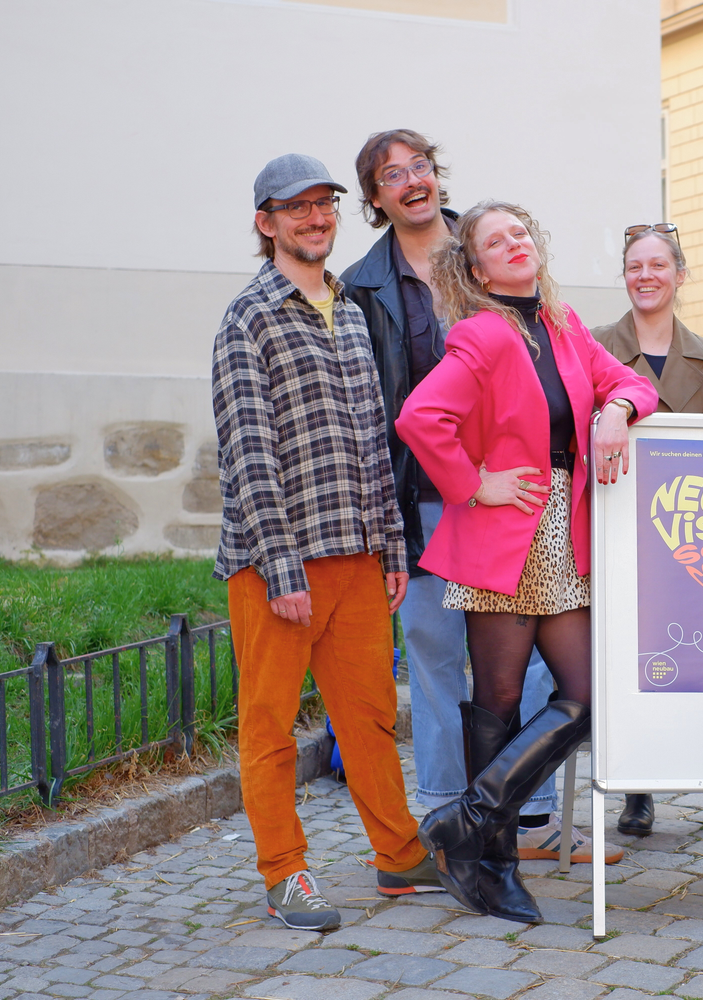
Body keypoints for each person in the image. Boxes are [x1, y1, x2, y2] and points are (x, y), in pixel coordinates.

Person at [395, 201, 658, 921]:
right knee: (499, 701)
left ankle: (468, 821)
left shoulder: (564, 326)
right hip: (506, 531)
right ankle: (493, 863)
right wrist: (474, 482)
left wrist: (616, 415)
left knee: (584, 694)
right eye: (495, 241)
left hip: (562, 535)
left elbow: (634, 383)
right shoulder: (482, 333)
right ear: (475, 267)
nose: (514, 245)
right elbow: (421, 418)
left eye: (520, 233)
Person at [339, 131, 589, 864]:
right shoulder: (368, 285)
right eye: (393, 175)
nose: (411, 181)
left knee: (532, 674)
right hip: (433, 493)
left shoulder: (527, 297)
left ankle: (509, 818)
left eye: (420, 167)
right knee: (442, 660)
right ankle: (457, 816)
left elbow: (607, 380)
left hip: (525, 507)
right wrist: (467, 483)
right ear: (376, 197)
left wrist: (615, 411)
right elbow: (399, 410)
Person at [213, 153, 443, 931]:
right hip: (278, 566)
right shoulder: (249, 318)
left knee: (370, 716)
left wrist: (390, 547)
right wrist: (280, 569)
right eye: (298, 207)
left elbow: (371, 440)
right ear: (266, 222)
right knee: (271, 727)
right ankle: (285, 873)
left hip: (356, 556)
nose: (316, 218)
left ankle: (400, 855)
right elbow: (248, 453)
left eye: (325, 205)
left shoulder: (348, 308)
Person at [592, 223, 703, 838]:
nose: (646, 276)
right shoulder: (597, 345)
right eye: (635, 266)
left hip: (695, 529)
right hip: (624, 523)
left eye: (658, 266)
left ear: (680, 275)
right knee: (634, 658)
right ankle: (637, 791)